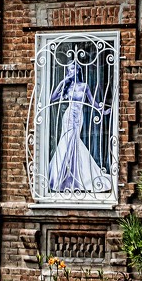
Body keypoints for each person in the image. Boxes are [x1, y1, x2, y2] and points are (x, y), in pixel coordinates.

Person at [45, 61, 111, 194]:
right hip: (68, 117)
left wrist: (102, 111)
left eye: (73, 70)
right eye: (69, 70)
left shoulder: (84, 86)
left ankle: (75, 178)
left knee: (74, 144)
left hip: (78, 117)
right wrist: (63, 81)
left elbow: (92, 101)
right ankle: (58, 178)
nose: (71, 72)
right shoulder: (67, 86)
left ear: (78, 71)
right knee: (66, 143)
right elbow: (52, 99)